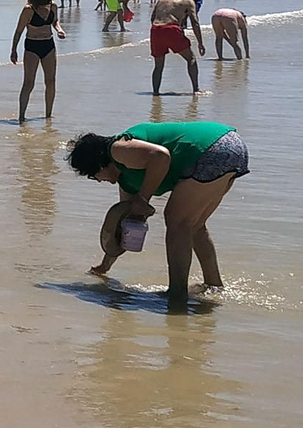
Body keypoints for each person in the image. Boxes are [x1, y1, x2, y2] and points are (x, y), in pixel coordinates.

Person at [67, 121, 249, 300]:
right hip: (231, 146)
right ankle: (214, 285)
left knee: (176, 220)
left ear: (98, 165)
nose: (98, 181)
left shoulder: (117, 149)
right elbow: (123, 229)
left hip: (210, 149)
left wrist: (143, 198)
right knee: (194, 225)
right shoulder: (126, 183)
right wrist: (104, 266)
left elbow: (160, 156)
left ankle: (177, 294)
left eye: (93, 176)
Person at [10, 0, 66, 122]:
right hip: (32, 46)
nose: (50, 0)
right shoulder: (28, 10)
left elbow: (55, 21)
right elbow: (19, 31)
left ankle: (48, 115)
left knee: (51, 81)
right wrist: (14, 50)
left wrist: (59, 29)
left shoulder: (52, 6)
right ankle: (21, 116)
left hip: (48, 44)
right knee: (29, 82)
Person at [148, 0, 205, 95]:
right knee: (191, 58)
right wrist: (200, 43)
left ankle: (155, 92)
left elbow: (152, 18)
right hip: (172, 29)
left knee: (158, 66)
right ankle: (196, 89)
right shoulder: (188, 0)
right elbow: (195, 22)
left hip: (156, 29)